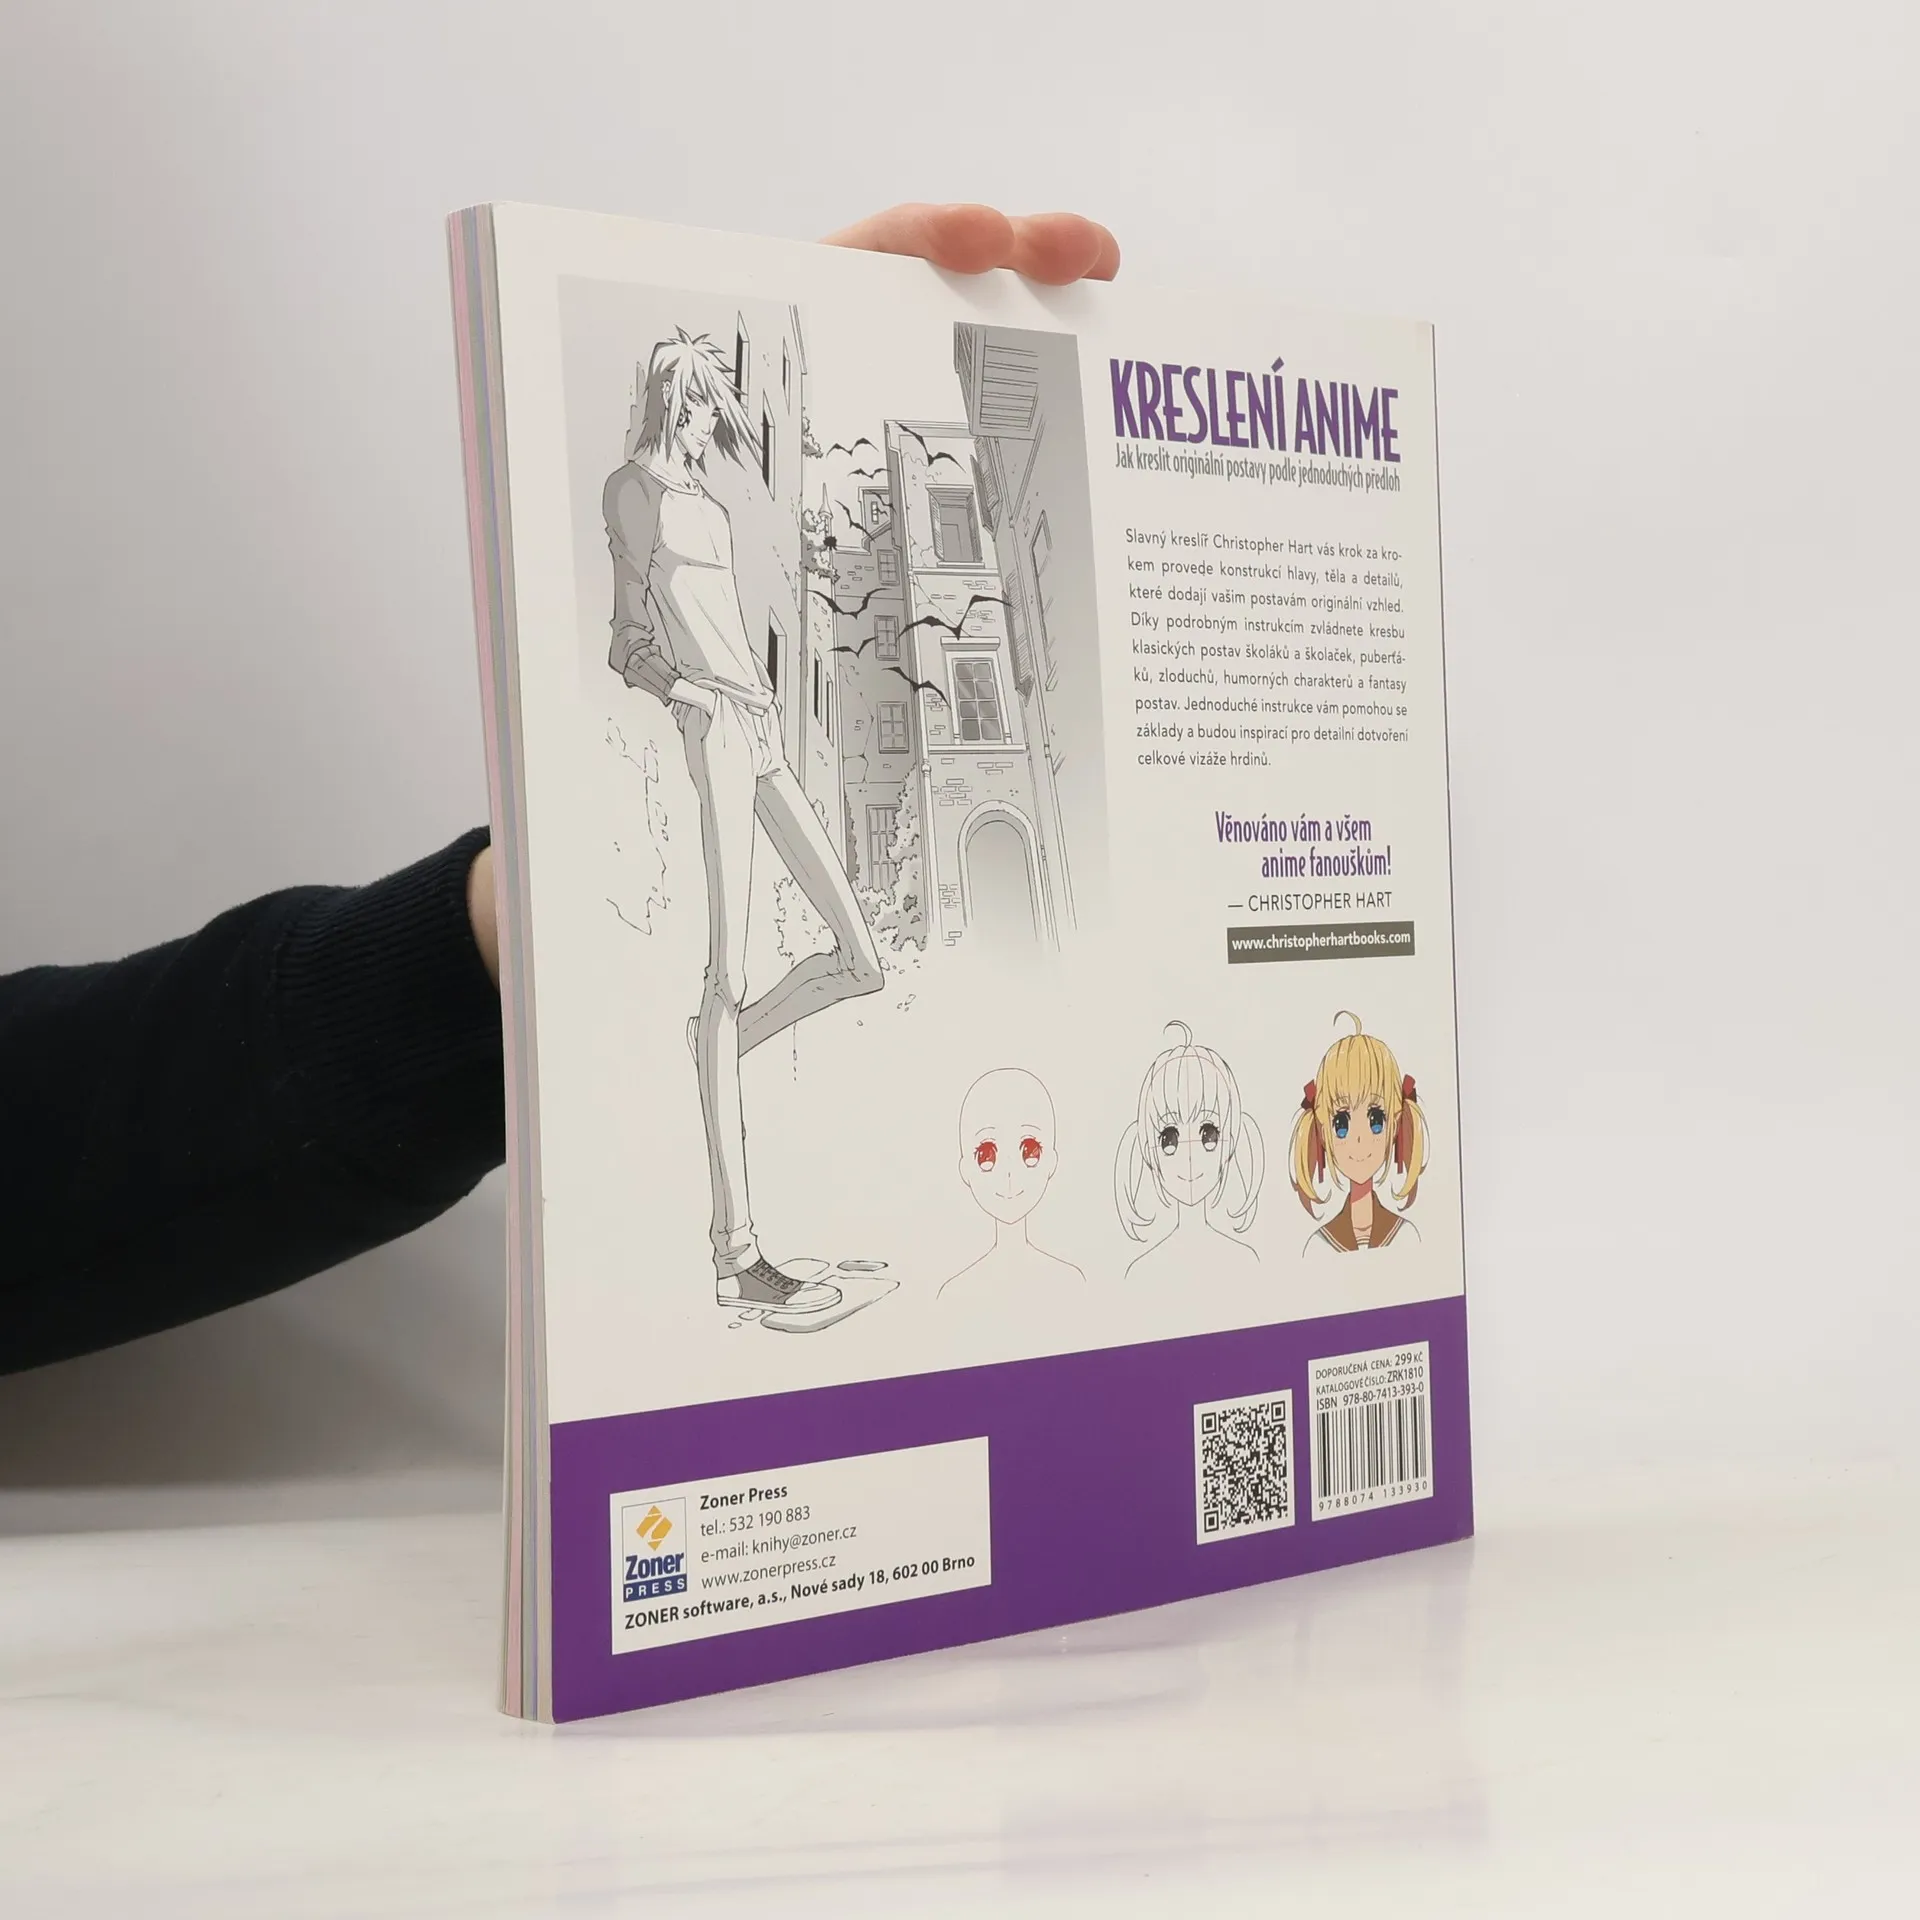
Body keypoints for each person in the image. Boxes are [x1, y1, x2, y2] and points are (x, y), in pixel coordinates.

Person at [0, 204, 1121, 1379]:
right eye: (710, 406)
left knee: (860, 958)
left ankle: (707, 1051)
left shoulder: (709, 501)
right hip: (714, 725)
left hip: (759, 728)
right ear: (681, 400)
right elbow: (630, 640)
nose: (720, 426)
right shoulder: (634, 492)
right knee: (725, 974)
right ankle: (739, 1252)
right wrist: (687, 697)